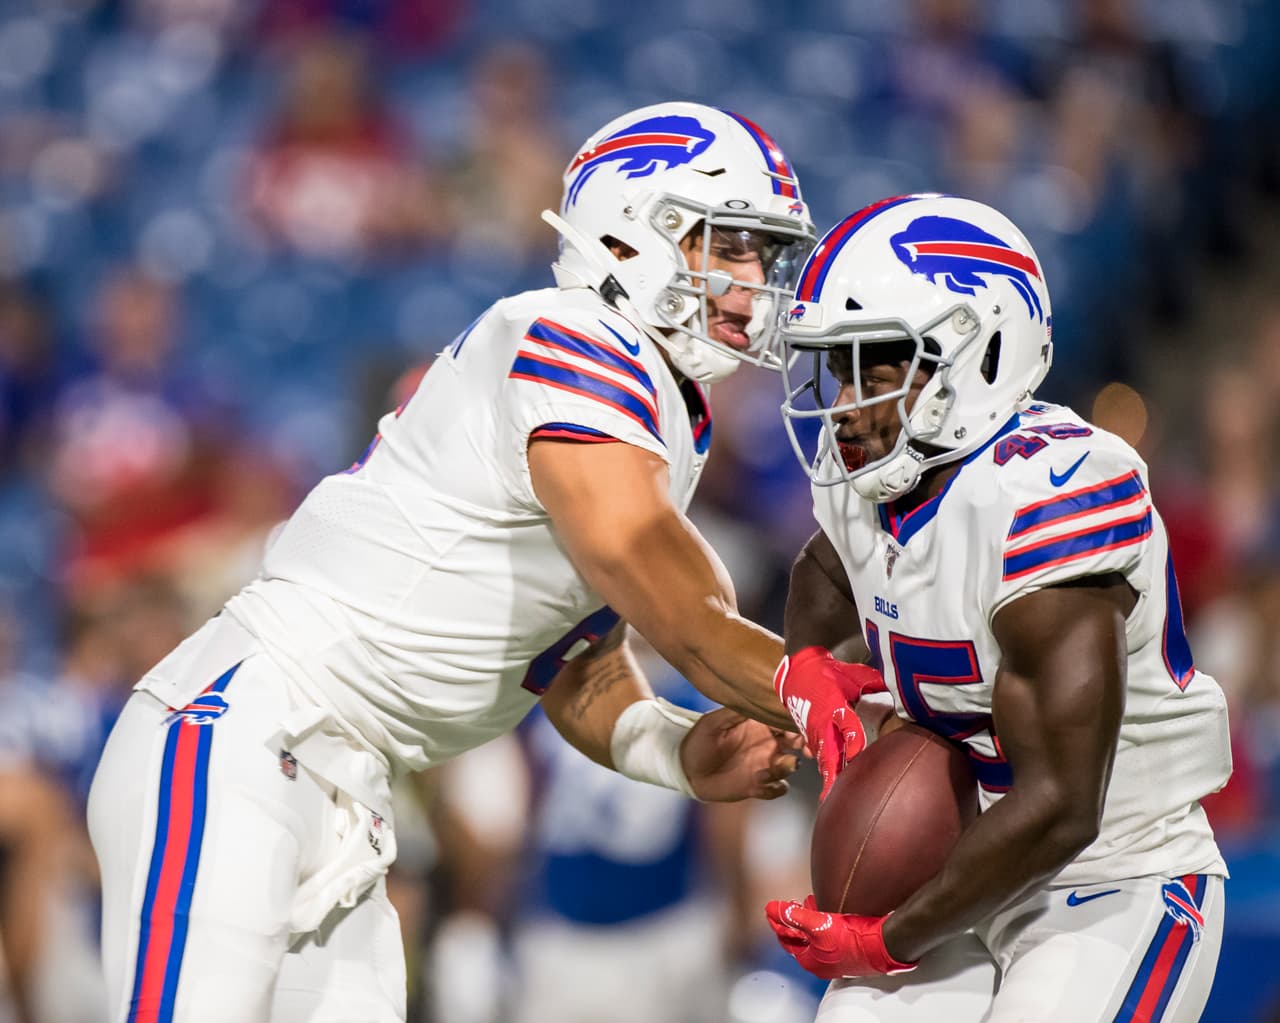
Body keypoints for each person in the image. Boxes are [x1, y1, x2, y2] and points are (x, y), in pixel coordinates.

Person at [88, 100, 816, 1023]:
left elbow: (575, 666)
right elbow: (668, 590)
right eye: (730, 246)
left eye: (760, 254)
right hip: (243, 731)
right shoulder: (569, 334)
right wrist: (832, 692)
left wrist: (673, 747)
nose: (753, 283)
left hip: (344, 782)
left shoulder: (654, 410)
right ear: (633, 238)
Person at [763, 193, 1231, 1022]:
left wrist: (889, 939)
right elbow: (829, 566)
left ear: (977, 358)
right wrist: (806, 658)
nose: (844, 402)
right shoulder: (875, 475)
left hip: (1112, 871)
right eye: (837, 365)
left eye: (877, 363)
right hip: (954, 865)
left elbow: (1061, 804)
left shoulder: (1046, 497)